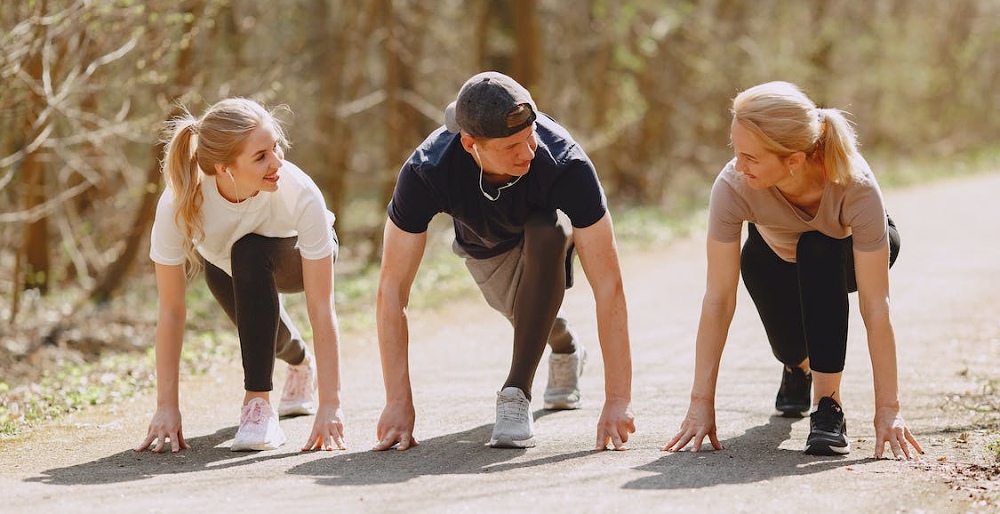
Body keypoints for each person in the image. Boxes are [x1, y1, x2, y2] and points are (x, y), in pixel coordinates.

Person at [372, 71, 635, 451]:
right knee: (534, 318)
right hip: (486, 249)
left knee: (548, 229)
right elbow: (392, 290)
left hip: (545, 236)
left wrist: (618, 400)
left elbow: (610, 285)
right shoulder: (427, 171)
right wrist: (397, 403)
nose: (528, 152)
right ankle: (566, 347)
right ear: (469, 143)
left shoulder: (565, 163)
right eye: (511, 145)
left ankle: (515, 395)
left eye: (530, 137)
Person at [665, 81, 923, 459]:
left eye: (751, 157)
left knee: (817, 248)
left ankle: (827, 407)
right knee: (788, 346)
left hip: (845, 253)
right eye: (735, 151)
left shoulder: (854, 184)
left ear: (794, 161)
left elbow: (875, 304)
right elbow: (718, 299)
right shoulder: (733, 186)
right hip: (771, 256)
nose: (738, 165)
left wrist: (889, 410)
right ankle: (798, 368)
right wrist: (700, 402)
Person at [135, 98, 346, 453]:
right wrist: (166, 407)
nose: (277, 161)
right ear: (224, 168)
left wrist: (331, 405)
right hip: (230, 267)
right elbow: (170, 312)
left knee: (249, 251)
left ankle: (258, 407)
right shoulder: (180, 202)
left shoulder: (299, 191)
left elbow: (322, 308)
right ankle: (299, 363)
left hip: (296, 257)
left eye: (275, 146)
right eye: (261, 156)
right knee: (260, 326)